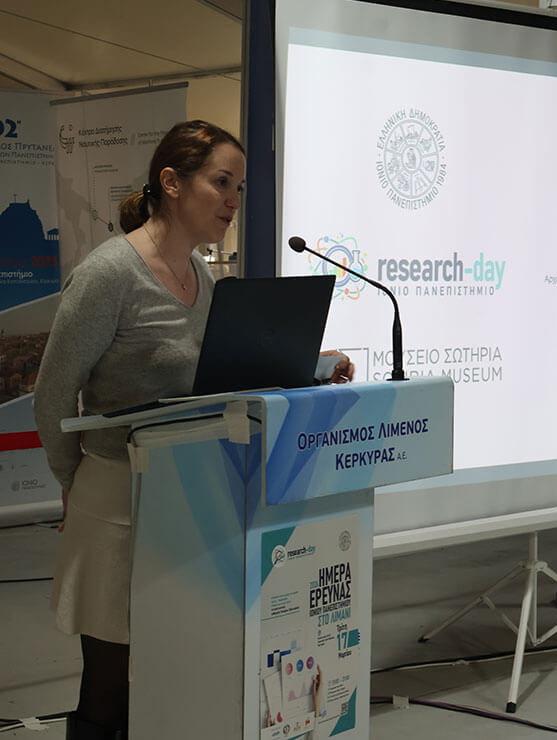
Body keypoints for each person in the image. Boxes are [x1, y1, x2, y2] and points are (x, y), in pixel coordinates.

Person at [33, 120, 353, 740]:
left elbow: (216, 370)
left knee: (169, 673)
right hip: (116, 501)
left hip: (184, 496)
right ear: (172, 183)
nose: (233, 201)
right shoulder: (110, 274)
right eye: (221, 183)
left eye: (239, 188)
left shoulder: (200, 276)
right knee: (107, 687)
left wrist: (315, 365)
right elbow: (51, 395)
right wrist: (75, 479)